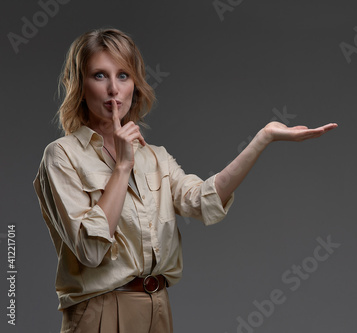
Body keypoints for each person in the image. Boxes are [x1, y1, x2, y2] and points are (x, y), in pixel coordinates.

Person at [33, 28, 337, 333]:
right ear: (79, 85)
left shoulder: (155, 157)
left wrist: (263, 138)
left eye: (123, 75)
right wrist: (123, 165)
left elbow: (204, 202)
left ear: (135, 85)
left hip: (157, 306)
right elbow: (90, 250)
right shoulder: (62, 156)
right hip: (100, 310)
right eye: (99, 75)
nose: (114, 89)